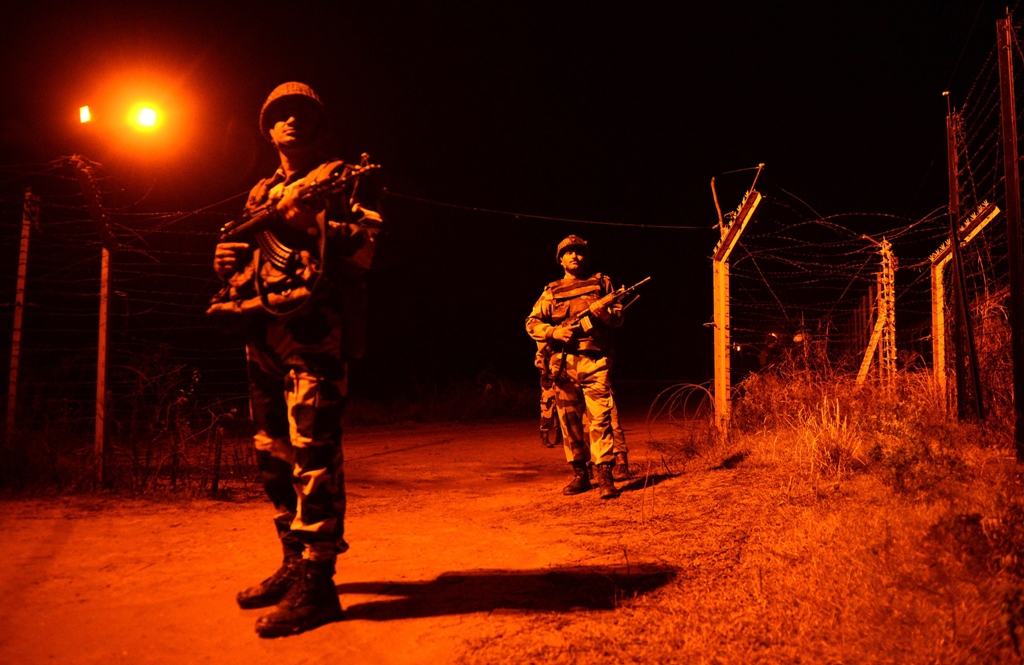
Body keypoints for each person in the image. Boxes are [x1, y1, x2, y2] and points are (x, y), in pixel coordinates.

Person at [209, 82, 381, 638]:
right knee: (272, 454)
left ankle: (319, 580)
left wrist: (310, 221)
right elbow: (247, 260)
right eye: (280, 115)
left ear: (319, 126)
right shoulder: (259, 190)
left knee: (314, 454)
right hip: (262, 332)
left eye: (303, 114)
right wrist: (226, 263)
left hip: (313, 334)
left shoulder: (345, 178)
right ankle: (291, 560)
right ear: (268, 128)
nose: (291, 122)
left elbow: (365, 250)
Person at [525, 235, 625, 499]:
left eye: (579, 252)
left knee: (601, 419)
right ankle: (580, 474)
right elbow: (531, 322)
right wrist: (554, 333)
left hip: (595, 362)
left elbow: (618, 317)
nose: (574, 256)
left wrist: (604, 313)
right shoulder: (552, 291)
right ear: (560, 259)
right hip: (563, 365)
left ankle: (605, 474)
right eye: (568, 253)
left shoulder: (601, 284)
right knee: (569, 423)